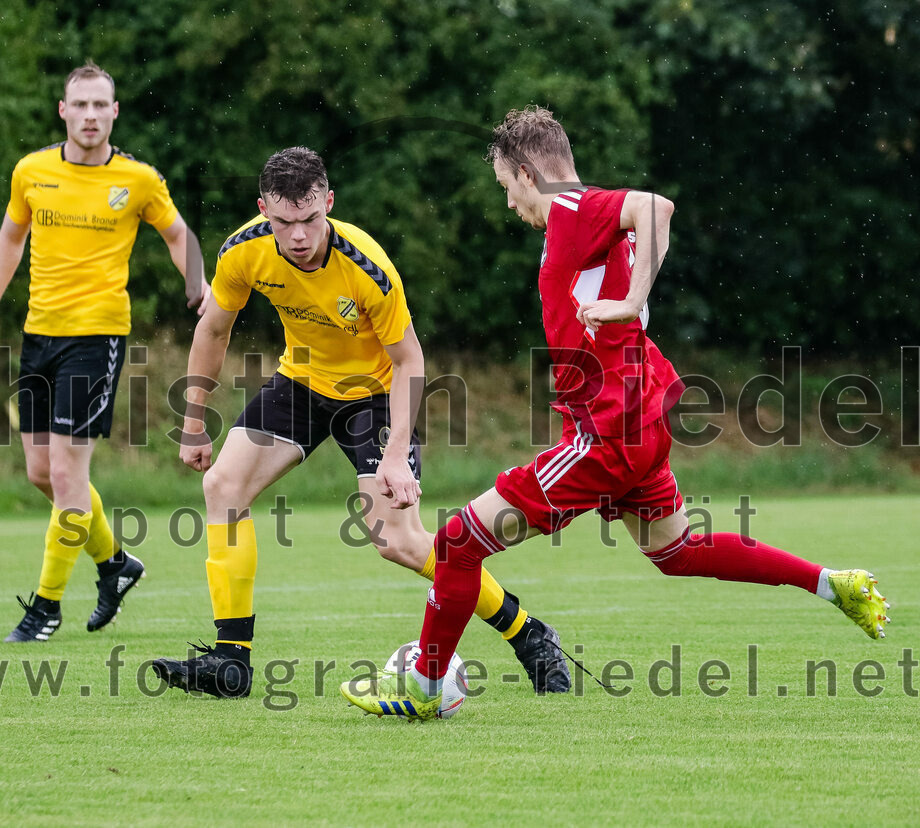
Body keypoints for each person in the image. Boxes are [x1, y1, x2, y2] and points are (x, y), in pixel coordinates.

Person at [341, 106, 891, 719]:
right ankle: (829, 581)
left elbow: (657, 206)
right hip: (637, 428)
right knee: (676, 553)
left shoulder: (574, 210)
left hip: (607, 435)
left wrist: (631, 300)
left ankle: (422, 688)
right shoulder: (582, 226)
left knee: (457, 542)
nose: (508, 205)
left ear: (527, 173)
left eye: (505, 188)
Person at [151, 146, 571, 698]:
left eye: (309, 220)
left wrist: (395, 453)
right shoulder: (244, 250)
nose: (298, 236)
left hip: (374, 396)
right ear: (263, 210)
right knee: (222, 486)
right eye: (283, 222)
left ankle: (529, 633)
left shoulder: (367, 267)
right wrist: (193, 420)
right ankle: (231, 664)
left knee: (398, 541)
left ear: (328, 202)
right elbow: (212, 331)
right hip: (301, 383)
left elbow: (409, 362)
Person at [0, 60, 209, 642]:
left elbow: (179, 233)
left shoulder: (138, 180)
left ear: (114, 112)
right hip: (39, 335)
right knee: (42, 475)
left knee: (66, 470)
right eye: (78, 105)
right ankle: (114, 565)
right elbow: (11, 238)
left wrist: (198, 284)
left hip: (97, 337)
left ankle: (46, 607)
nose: (88, 115)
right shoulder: (31, 171)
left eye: (99, 105)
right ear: (63, 110)